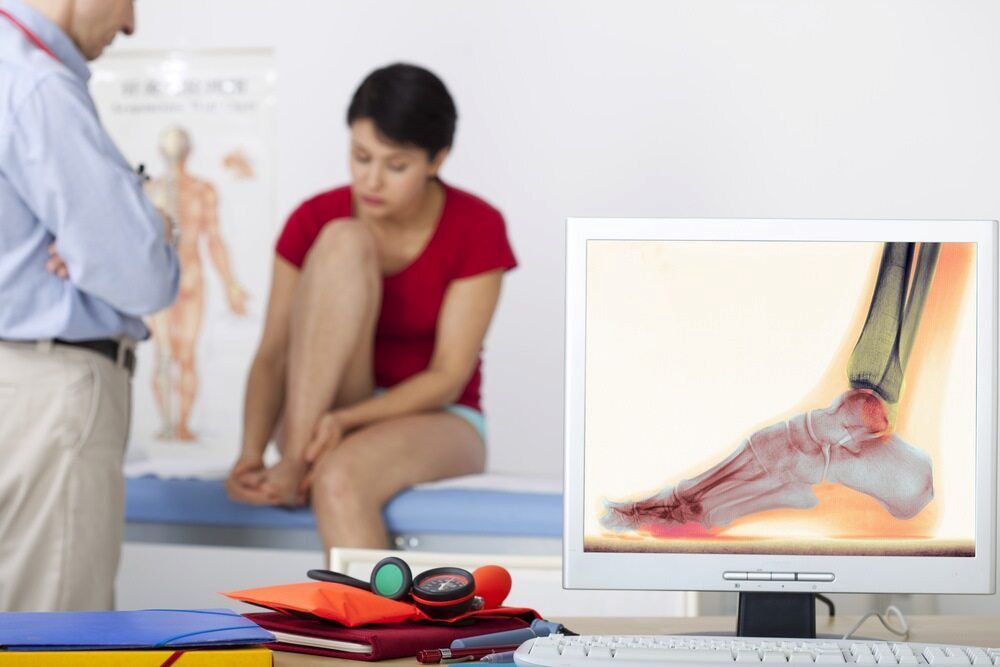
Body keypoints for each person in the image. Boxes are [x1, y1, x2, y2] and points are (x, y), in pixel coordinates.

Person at [226, 63, 517, 551]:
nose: (372, 180)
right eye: (360, 157)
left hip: (439, 415)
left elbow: (448, 375)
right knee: (343, 238)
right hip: (319, 412)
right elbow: (274, 352)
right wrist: (250, 455)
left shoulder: (477, 226)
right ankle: (297, 456)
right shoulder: (315, 218)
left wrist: (346, 422)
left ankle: (382, 630)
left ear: (437, 159)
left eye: (395, 165)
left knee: (339, 479)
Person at [0, 0, 179, 610]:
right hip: (48, 394)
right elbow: (142, 275)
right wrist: (153, 223)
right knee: (52, 634)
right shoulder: (35, 85)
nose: (130, 24)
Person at [146, 125, 248, 441]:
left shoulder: (203, 191)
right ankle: (167, 423)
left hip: (189, 277)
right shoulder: (150, 190)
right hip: (160, 278)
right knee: (163, 353)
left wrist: (231, 283)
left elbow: (214, 240)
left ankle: (182, 424)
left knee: (185, 354)